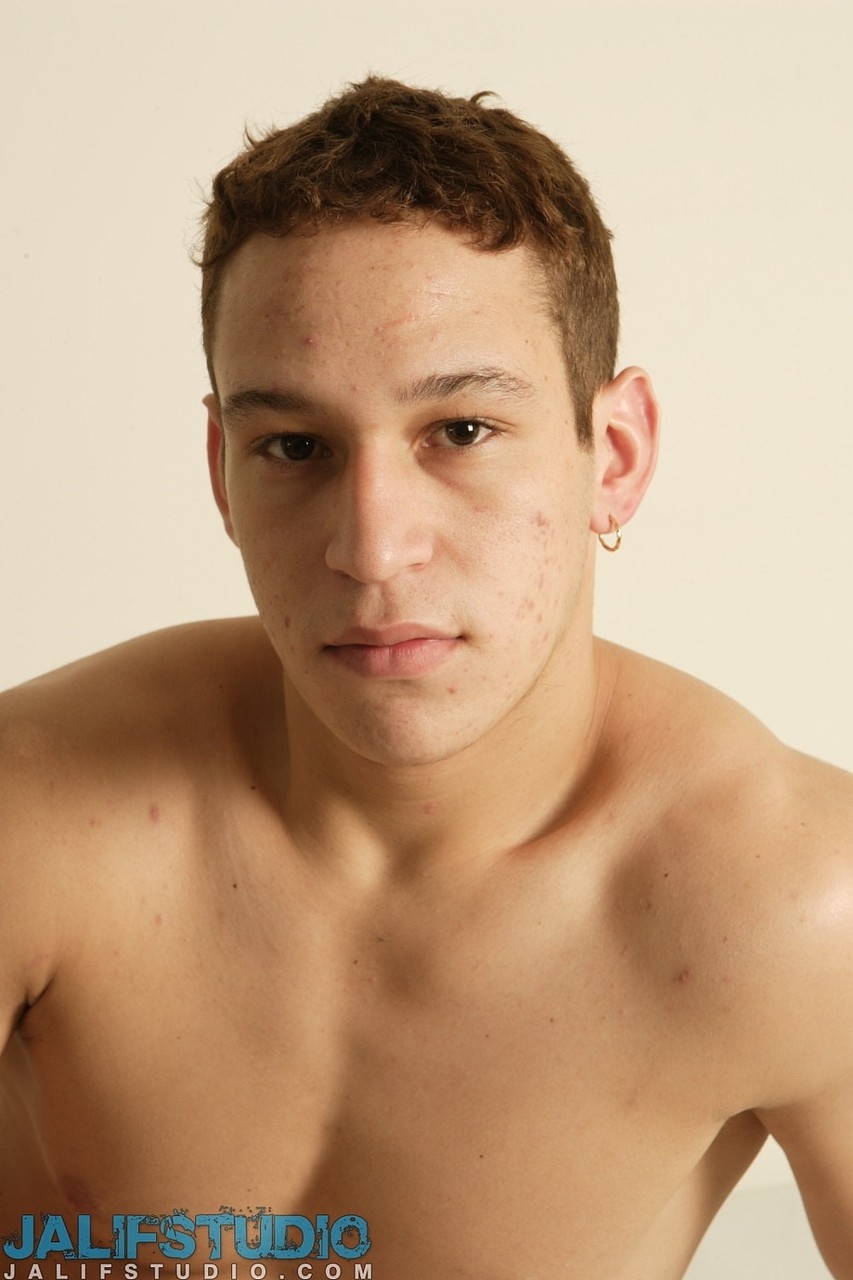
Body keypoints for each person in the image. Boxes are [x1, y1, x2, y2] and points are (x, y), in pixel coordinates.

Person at [1, 76, 851, 1280]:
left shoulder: (793, 900)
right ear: (222, 470)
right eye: (294, 445)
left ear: (613, 454)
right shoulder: (33, 811)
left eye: (460, 430)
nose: (370, 546)